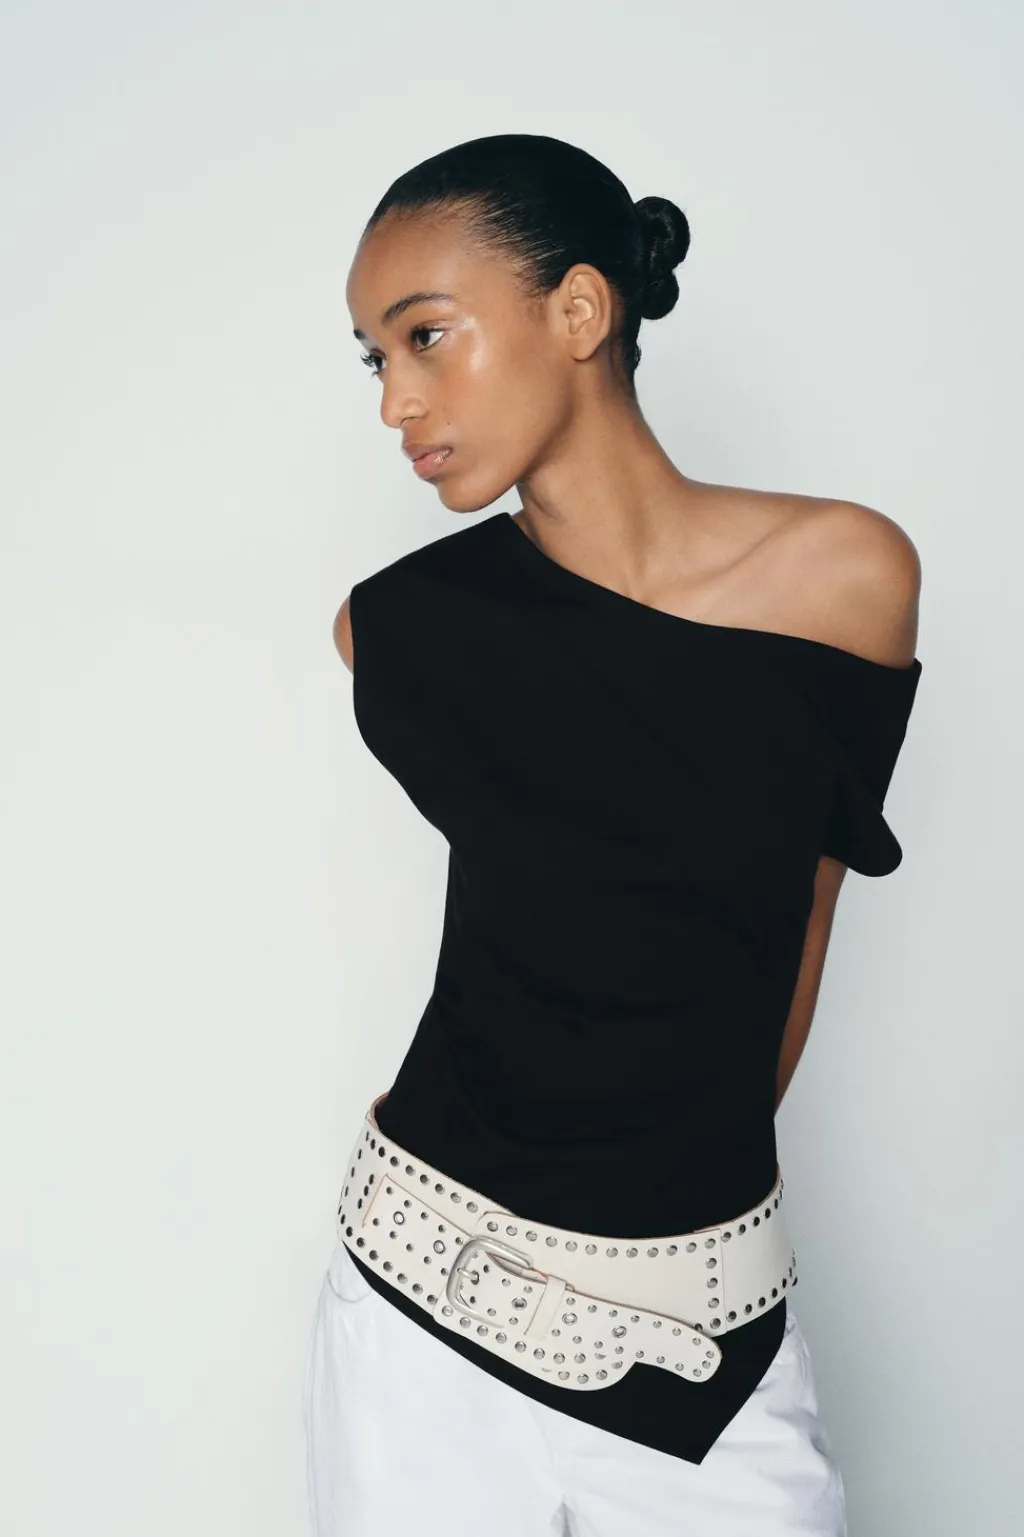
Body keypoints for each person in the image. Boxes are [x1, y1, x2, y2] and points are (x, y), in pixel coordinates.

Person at [302, 132, 923, 1537]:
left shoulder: (848, 579)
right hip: (421, 1328)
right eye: (373, 359)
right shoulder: (399, 632)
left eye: (425, 335)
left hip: (712, 1333)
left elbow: (798, 920)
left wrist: (669, 1212)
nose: (395, 400)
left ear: (580, 310)